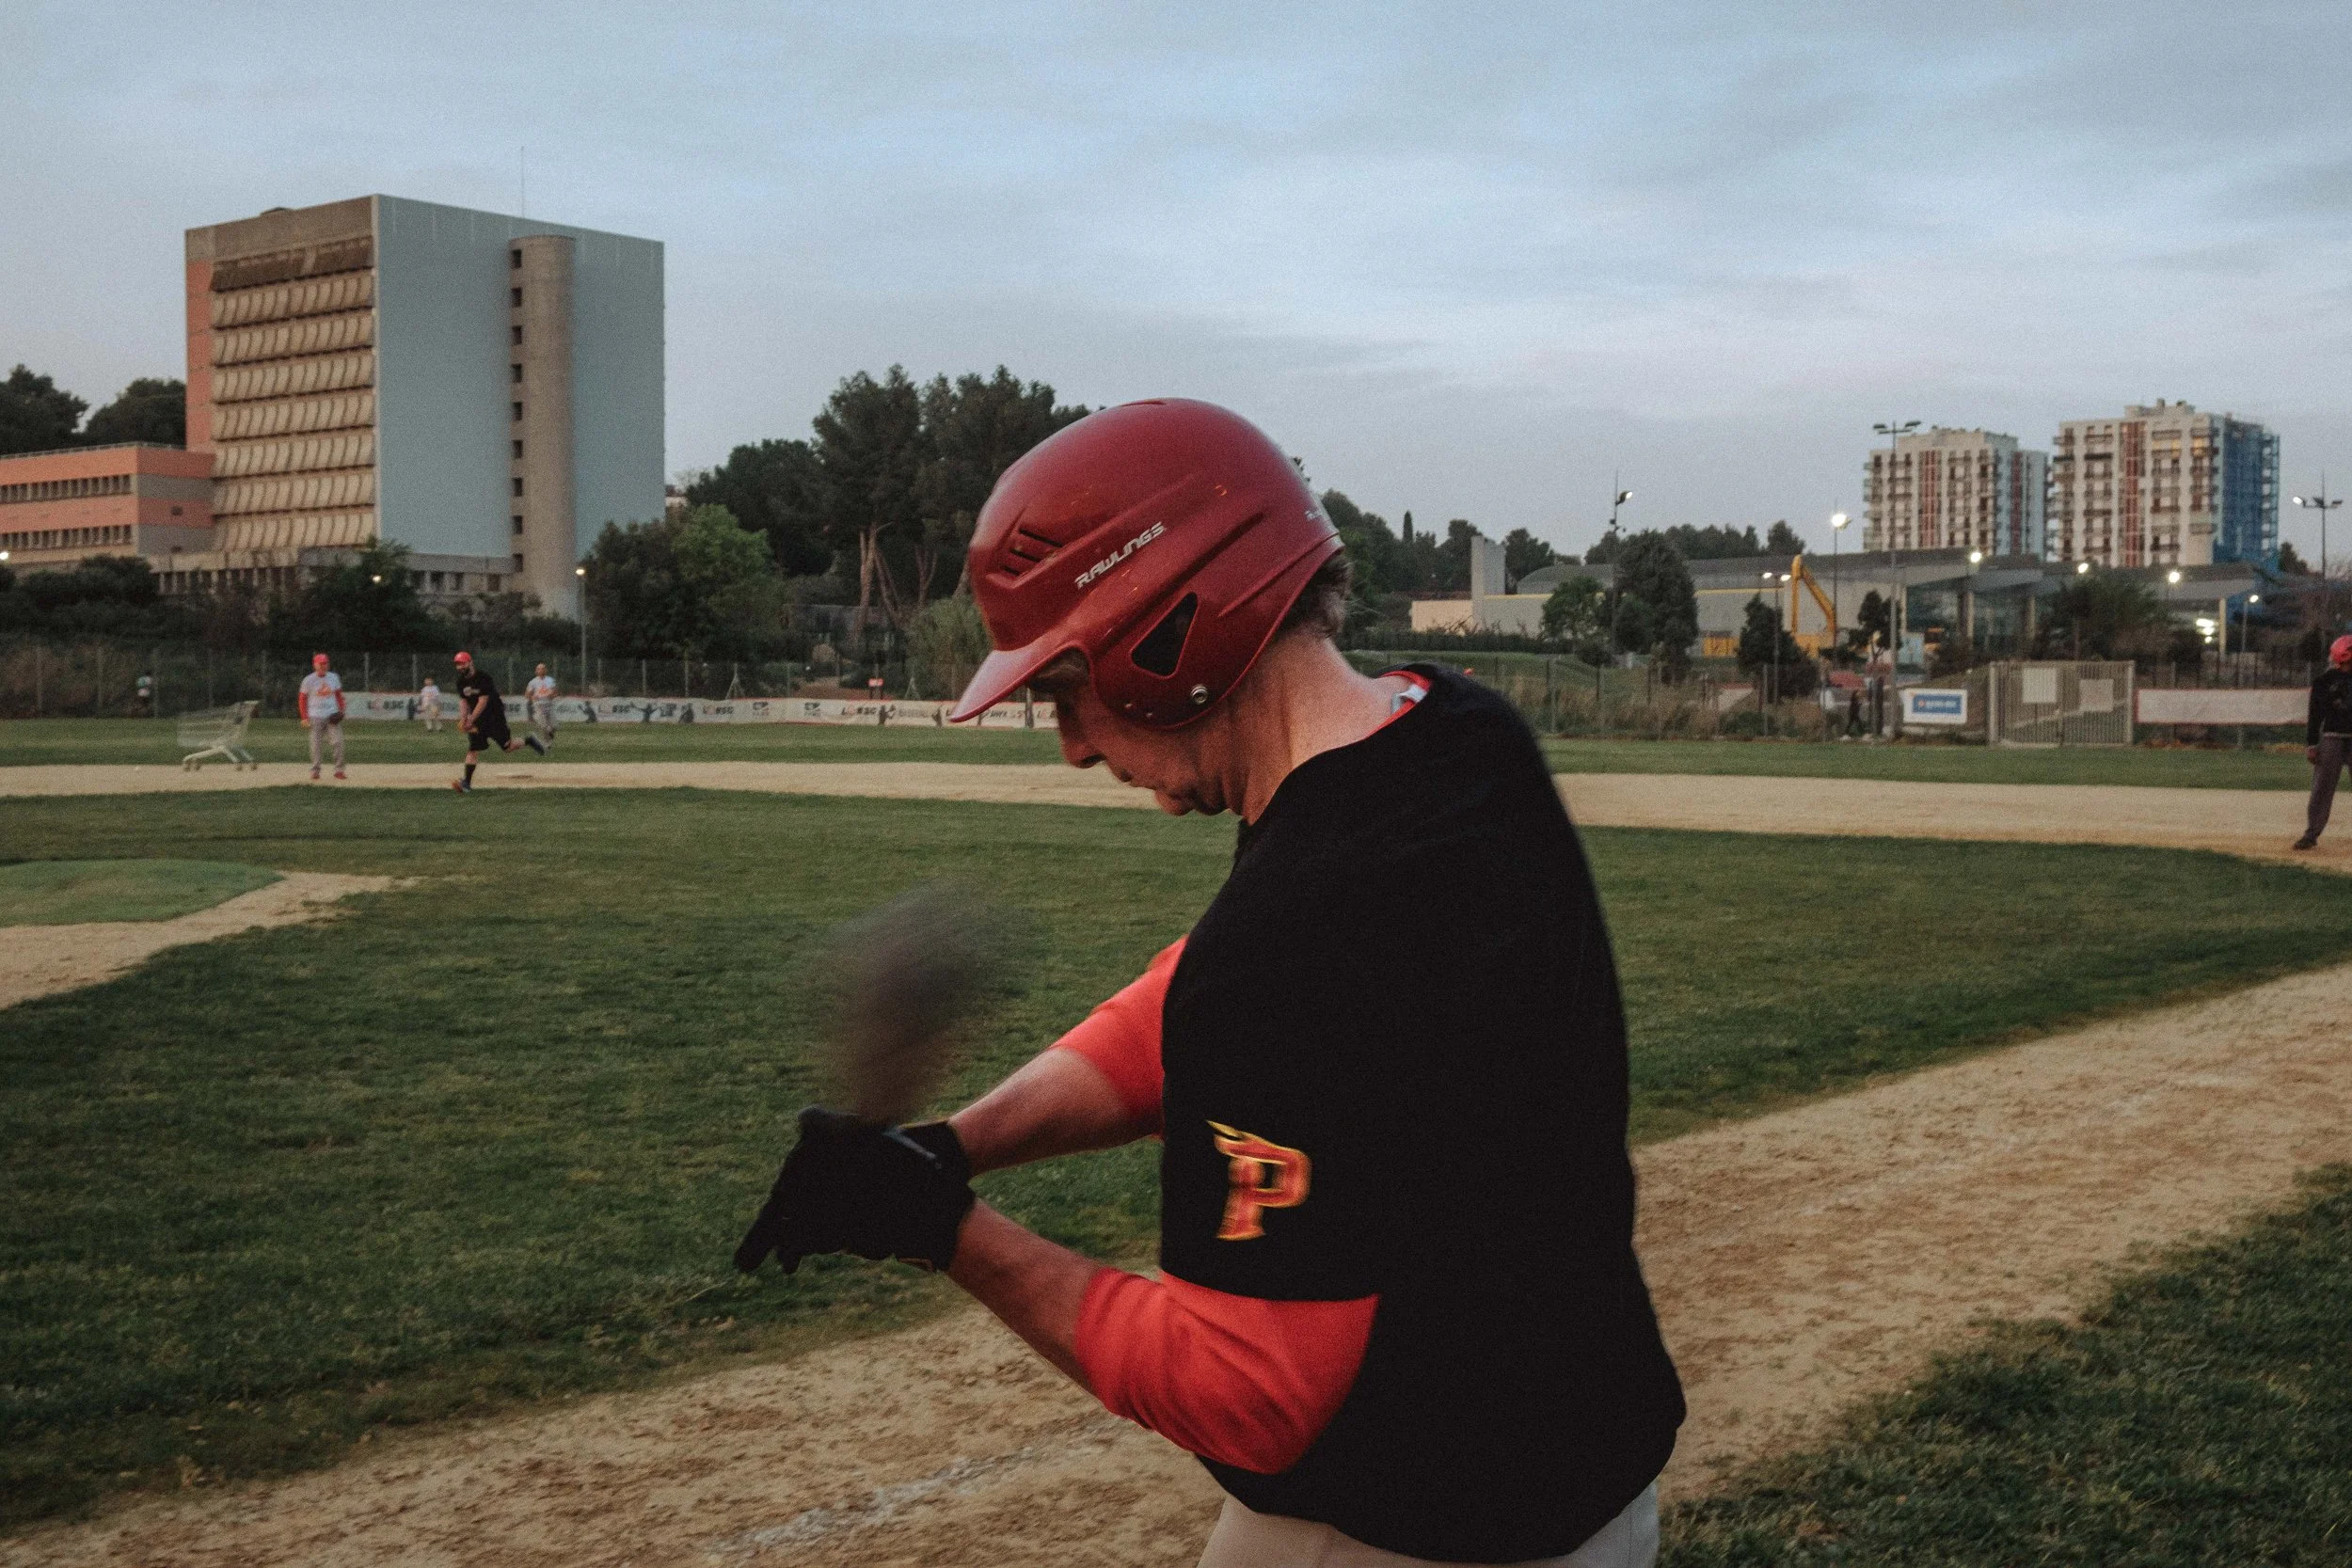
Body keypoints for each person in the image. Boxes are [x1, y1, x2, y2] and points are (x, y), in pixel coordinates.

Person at [734, 400, 1685, 1567]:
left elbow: (1250, 1391)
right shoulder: (1456, 736)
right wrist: (955, 1144)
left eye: (1064, 689)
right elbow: (1203, 999)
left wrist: (944, 1232)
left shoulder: (1294, 932)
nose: (1073, 745)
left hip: (1411, 1524)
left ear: (1167, 633)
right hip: (1587, 1468)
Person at [449, 650, 543, 792]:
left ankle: (528, 741)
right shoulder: (461, 682)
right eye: (457, 665)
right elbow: (464, 702)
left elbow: (483, 701)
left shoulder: (483, 678)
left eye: (462, 664)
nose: (460, 667)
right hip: (477, 720)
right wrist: (464, 719)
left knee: (507, 747)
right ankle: (467, 783)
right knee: (473, 749)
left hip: (494, 717)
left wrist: (471, 719)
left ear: (470, 662)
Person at [2295, 633, 2352, 850]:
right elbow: (2315, 715)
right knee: (2322, 788)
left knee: (2322, 788)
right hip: (2332, 738)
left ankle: (2311, 834)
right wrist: (2311, 744)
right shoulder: (2324, 682)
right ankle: (2311, 833)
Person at [298, 652, 346, 781]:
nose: (324, 665)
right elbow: (302, 699)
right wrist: (304, 717)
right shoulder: (308, 680)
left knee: (338, 742)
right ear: (315, 665)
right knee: (316, 744)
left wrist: (342, 709)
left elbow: (338, 695)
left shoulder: (334, 677)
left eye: (326, 663)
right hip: (315, 716)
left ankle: (339, 770)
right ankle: (315, 770)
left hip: (332, 714)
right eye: (321, 663)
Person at [524, 662, 559, 752]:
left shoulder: (550, 680)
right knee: (544, 726)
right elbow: (527, 694)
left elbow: (555, 693)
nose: (541, 670)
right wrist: (532, 697)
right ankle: (547, 744)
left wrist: (552, 695)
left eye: (543, 668)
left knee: (554, 726)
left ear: (546, 670)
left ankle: (548, 739)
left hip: (549, 705)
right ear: (536, 671)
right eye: (539, 669)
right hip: (539, 706)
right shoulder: (533, 682)